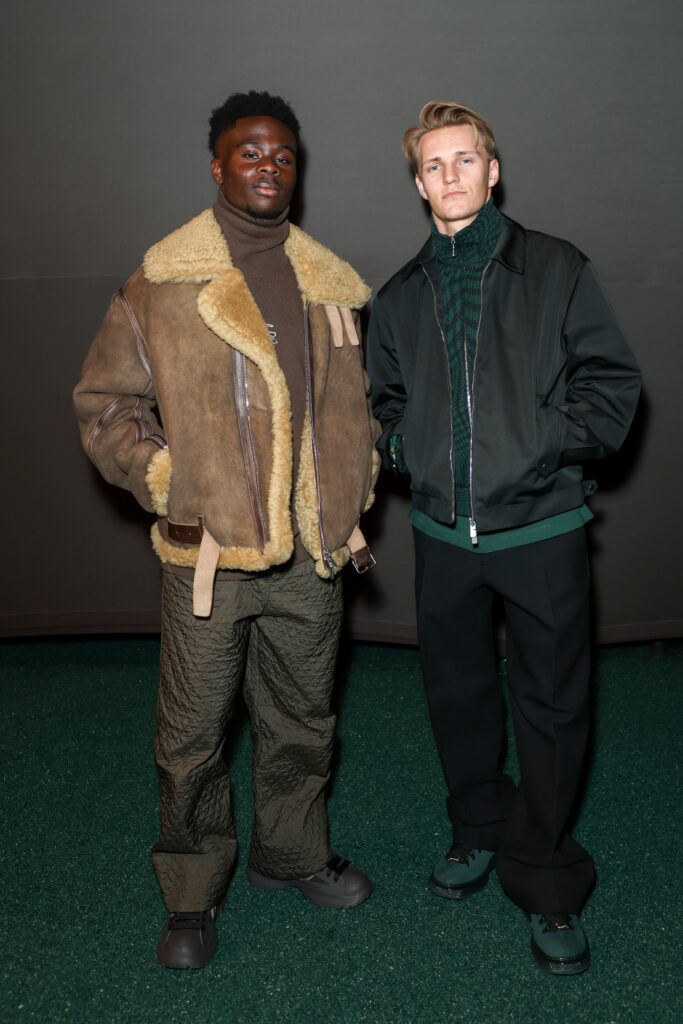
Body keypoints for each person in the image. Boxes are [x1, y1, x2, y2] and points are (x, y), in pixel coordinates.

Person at [74, 91, 380, 970]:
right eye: (250, 152)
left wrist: (352, 488)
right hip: (209, 555)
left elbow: (349, 411)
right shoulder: (161, 285)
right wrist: (173, 482)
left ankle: (290, 857)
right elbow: (104, 408)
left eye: (283, 154)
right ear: (217, 165)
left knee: (302, 722)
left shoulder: (330, 283)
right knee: (191, 736)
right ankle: (191, 889)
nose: (268, 166)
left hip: (310, 556)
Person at [366, 100, 640, 975]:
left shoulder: (555, 267)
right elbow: (383, 409)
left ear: (492, 170)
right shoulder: (400, 294)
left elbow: (610, 385)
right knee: (456, 695)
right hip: (444, 534)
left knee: (552, 709)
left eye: (463, 159)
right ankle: (477, 824)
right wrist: (410, 450)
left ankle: (547, 873)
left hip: (543, 527)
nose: (448, 175)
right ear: (418, 184)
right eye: (432, 165)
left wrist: (536, 445)